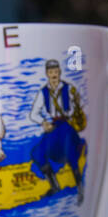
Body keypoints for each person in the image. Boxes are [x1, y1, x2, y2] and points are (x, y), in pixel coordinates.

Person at [28, 59, 86, 202]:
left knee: (71, 154)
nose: (53, 75)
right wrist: (43, 122)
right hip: (53, 127)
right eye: (50, 72)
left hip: (66, 126)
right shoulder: (43, 92)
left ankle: (80, 188)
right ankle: (54, 185)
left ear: (59, 72)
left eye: (55, 72)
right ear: (47, 74)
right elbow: (33, 113)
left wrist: (74, 110)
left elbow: (78, 108)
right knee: (37, 152)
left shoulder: (69, 89)